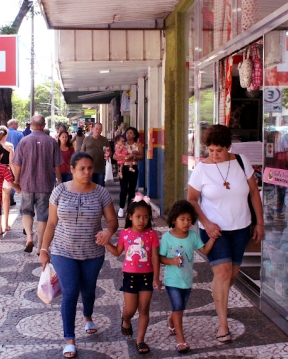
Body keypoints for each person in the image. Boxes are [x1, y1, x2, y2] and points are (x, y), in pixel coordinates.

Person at [187, 124, 263, 344]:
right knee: (222, 273)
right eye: (210, 150)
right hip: (213, 231)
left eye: (218, 150)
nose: (214, 155)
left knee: (231, 275)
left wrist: (260, 223)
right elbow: (192, 199)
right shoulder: (202, 168)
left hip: (240, 227)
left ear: (228, 147)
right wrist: (206, 223)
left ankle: (219, 299)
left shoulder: (241, 162)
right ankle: (223, 324)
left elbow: (254, 194)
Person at [39, 152, 118, 359]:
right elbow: (51, 223)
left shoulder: (101, 193)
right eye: (82, 168)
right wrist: (44, 249)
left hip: (93, 252)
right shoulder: (59, 191)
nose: (87, 172)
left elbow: (112, 221)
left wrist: (108, 232)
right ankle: (69, 339)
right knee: (71, 291)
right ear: (71, 169)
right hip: (63, 251)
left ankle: (88, 316)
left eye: (90, 168)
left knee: (89, 290)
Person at [104, 193, 160, 355]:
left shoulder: (152, 235)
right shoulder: (125, 234)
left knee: (144, 308)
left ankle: (140, 340)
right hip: (129, 277)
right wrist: (106, 243)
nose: (142, 220)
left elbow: (155, 257)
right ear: (130, 217)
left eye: (145, 217)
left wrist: (156, 278)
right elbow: (117, 252)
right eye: (138, 217)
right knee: (130, 308)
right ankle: (126, 319)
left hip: (147, 276)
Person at [160, 200, 215, 353]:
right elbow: (160, 257)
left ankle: (170, 321)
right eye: (182, 219)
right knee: (178, 306)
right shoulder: (167, 238)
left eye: (189, 219)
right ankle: (180, 339)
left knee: (180, 308)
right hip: (172, 280)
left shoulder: (192, 236)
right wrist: (171, 261)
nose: (186, 222)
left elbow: (204, 250)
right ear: (173, 220)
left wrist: (213, 238)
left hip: (187, 280)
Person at [12, 114, 63, 254]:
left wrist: (16, 179)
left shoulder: (24, 141)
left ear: (31, 125)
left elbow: (17, 164)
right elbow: (57, 164)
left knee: (26, 211)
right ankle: (41, 245)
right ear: (44, 125)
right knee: (43, 215)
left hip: (27, 183)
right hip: (45, 183)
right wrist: (59, 180)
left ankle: (29, 236)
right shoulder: (52, 142)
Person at [113, 126, 144, 218]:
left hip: (133, 168)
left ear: (134, 135)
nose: (128, 135)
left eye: (130, 133)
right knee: (123, 189)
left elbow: (141, 157)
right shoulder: (122, 143)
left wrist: (133, 157)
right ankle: (121, 208)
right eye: (127, 133)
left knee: (132, 190)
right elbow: (114, 156)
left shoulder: (138, 144)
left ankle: (130, 208)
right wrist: (124, 158)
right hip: (123, 168)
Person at [0, 126, 16, 233]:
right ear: (6, 134)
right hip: (6, 173)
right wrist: (15, 177)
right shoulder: (10, 146)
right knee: (6, 200)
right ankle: (6, 224)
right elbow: (12, 163)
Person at [6, 119, 24, 205]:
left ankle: (6, 194)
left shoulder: (3, 133)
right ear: (13, 124)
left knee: (6, 178)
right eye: (17, 124)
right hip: (16, 160)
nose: (17, 126)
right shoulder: (19, 134)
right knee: (14, 177)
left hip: (4, 161)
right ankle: (11, 195)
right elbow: (24, 146)